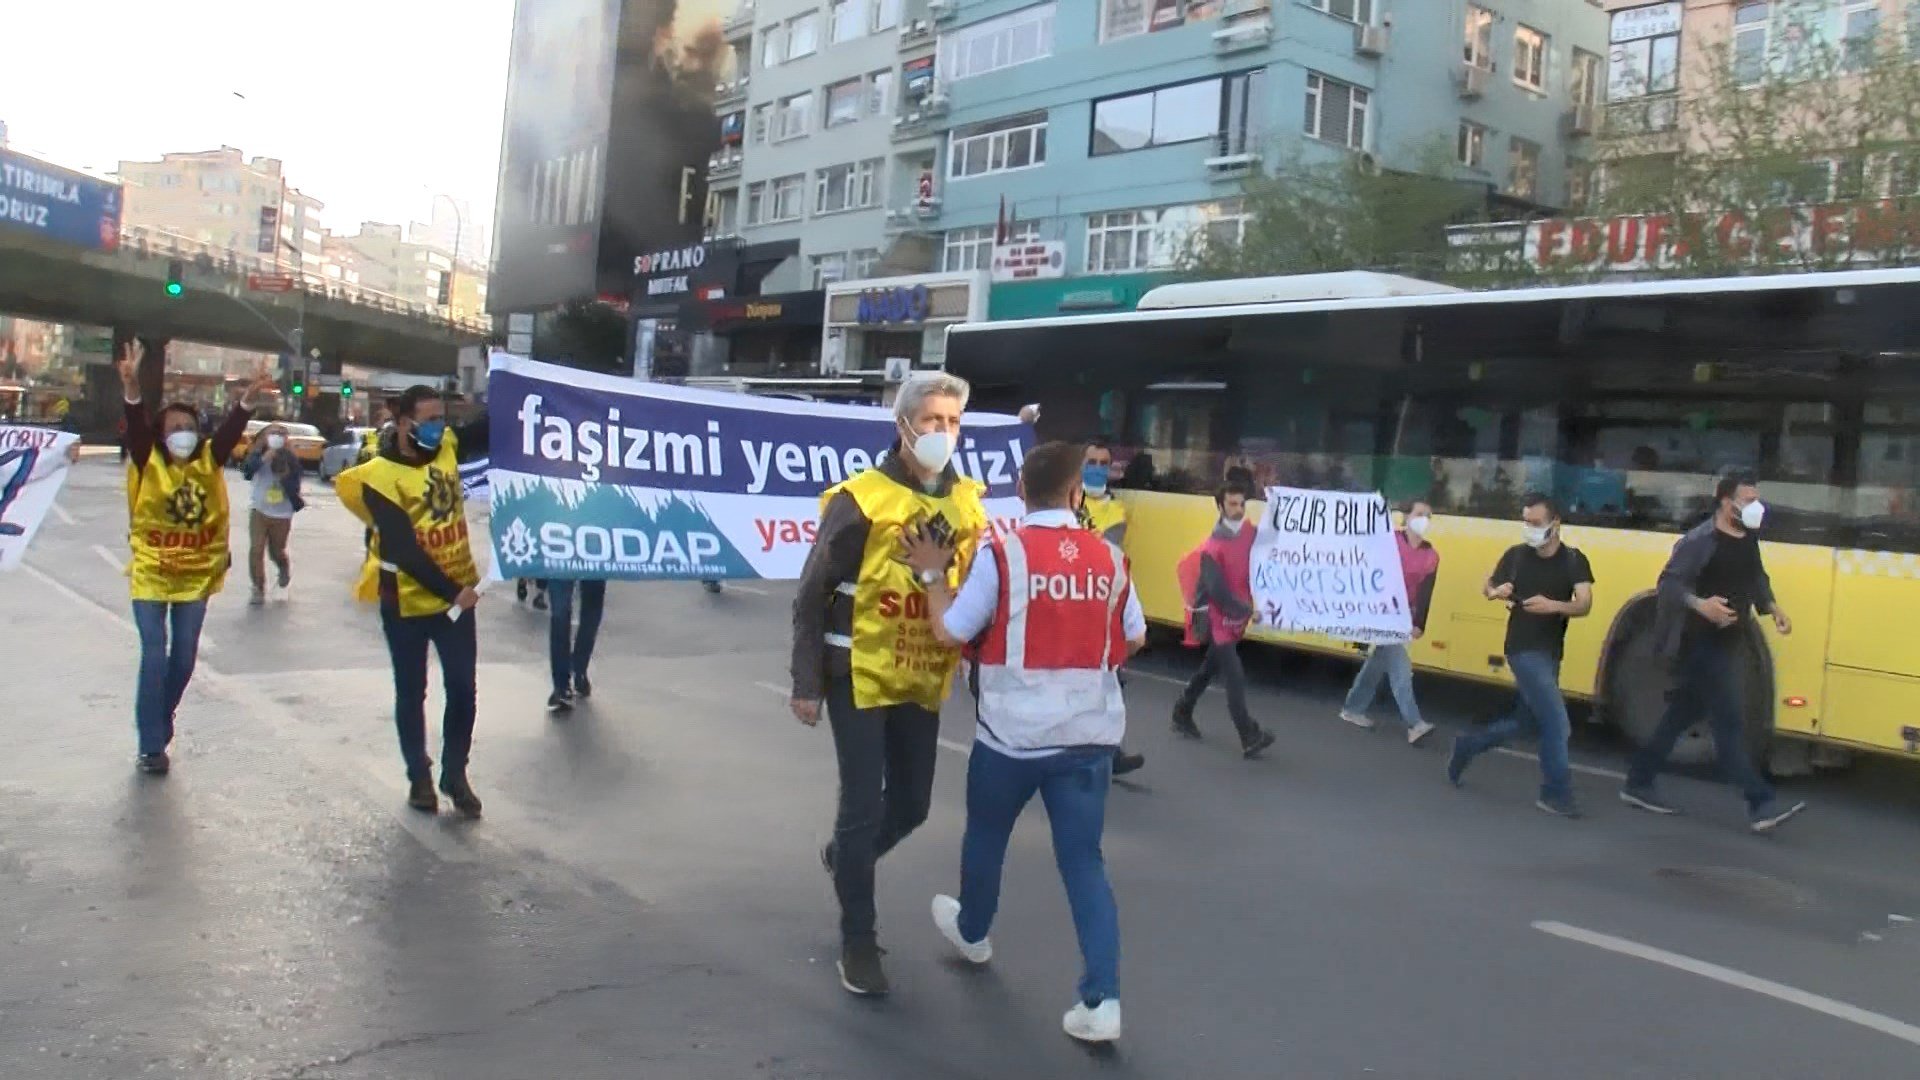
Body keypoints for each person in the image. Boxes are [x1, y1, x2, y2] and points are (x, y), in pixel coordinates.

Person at [913, 441, 1143, 1043]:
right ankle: (1102, 1002)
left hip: (1011, 738)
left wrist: (934, 574)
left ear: (1020, 492)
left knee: (987, 836)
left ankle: (973, 931)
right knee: (1084, 864)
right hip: (1089, 739)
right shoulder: (1109, 558)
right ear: (1077, 493)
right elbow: (1135, 637)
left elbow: (950, 631)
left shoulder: (1004, 555)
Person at [789, 371, 989, 997]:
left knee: (913, 805)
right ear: (903, 425)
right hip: (858, 673)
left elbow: (970, 592)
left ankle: (846, 860)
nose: (943, 433)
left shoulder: (966, 504)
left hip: (921, 674)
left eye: (953, 422)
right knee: (862, 803)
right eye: (932, 420)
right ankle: (858, 941)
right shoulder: (862, 498)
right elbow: (811, 592)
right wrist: (806, 682)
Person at [116, 341, 272, 775]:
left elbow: (231, 427)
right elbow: (134, 421)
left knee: (183, 658)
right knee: (153, 650)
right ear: (160, 434)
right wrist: (132, 387)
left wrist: (248, 399)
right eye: (172, 426)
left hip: (196, 577)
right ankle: (152, 745)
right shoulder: (148, 460)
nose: (181, 431)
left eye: (188, 425)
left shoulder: (208, 458)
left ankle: (160, 720)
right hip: (151, 571)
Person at [1620, 470, 1806, 832]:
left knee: (1679, 716)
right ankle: (1761, 803)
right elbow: (1668, 584)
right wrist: (1701, 604)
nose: (1755, 507)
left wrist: (1773, 608)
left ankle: (1637, 782)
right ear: (1726, 502)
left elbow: (1755, 576)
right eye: (1748, 500)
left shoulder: (1746, 537)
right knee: (1729, 725)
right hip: (1699, 644)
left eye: (1756, 499)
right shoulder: (1700, 540)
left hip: (1729, 641)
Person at [336, 385, 489, 818]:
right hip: (406, 602)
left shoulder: (447, 448)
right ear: (402, 422)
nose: (437, 426)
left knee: (462, 689)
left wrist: (525, 386)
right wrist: (453, 591)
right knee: (412, 691)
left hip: (456, 604)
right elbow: (403, 548)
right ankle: (419, 776)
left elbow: (490, 430)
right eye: (427, 418)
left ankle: (455, 774)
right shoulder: (379, 476)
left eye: (441, 417)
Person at [1446, 494, 1594, 817]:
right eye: (1525, 521)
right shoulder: (1516, 556)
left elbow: (1584, 603)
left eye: (1536, 523)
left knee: (1526, 722)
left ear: (1555, 524)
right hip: (1522, 649)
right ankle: (1554, 793)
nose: (1529, 528)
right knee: (1557, 723)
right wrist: (1493, 592)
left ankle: (1469, 745)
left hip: (1551, 651)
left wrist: (1554, 605)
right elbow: (1489, 585)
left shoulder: (1573, 560)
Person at [1172, 485, 1276, 759]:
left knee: (1209, 668)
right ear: (1220, 507)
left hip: (1236, 617)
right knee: (1235, 676)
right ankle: (1248, 735)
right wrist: (1246, 610)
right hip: (1219, 618)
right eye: (1232, 504)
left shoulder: (1249, 532)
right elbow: (1218, 592)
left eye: (1242, 503)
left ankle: (1182, 709)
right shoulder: (1212, 549)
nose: (1239, 509)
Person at [1340, 498, 1441, 744]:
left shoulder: (1431, 555)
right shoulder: (1388, 541)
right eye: (1419, 513)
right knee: (1400, 668)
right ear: (1405, 517)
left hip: (1404, 614)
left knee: (1379, 662)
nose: (1423, 519)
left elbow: (1427, 591)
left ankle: (1352, 708)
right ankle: (1414, 723)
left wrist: (1419, 623)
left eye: (1428, 514)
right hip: (1382, 612)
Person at [1079, 441, 1146, 777]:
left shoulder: (1115, 510)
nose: (1096, 467)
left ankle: (1110, 750)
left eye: (1103, 463)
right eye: (1090, 461)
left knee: (1111, 678)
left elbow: (1106, 548)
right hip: (1064, 596)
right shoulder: (1068, 500)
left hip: (1101, 600)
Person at [240, 422, 305, 605]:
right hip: (259, 509)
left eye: (281, 434)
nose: (277, 437)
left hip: (282, 513)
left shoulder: (290, 458)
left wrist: (286, 473)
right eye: (273, 433)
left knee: (276, 551)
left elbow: (296, 484)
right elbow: (245, 472)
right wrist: (263, 457)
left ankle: (283, 569)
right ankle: (258, 587)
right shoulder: (257, 453)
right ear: (265, 437)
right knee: (256, 549)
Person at [545, 578, 606, 713]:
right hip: (559, 560)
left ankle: (579, 667)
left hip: (592, 559)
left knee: (593, 607)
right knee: (560, 610)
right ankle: (561, 685)